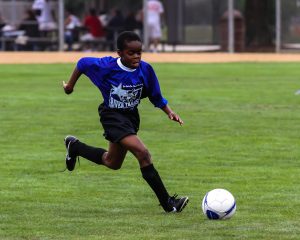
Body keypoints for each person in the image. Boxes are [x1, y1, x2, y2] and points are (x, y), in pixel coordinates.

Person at [62, 31, 189, 213]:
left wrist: (169, 112)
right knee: (143, 153)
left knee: (112, 162)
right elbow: (82, 63)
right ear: (120, 53)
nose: (136, 56)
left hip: (130, 117)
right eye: (131, 53)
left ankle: (74, 147)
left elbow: (155, 95)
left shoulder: (145, 70)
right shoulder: (106, 66)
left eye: (139, 52)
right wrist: (69, 87)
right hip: (112, 116)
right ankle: (168, 203)